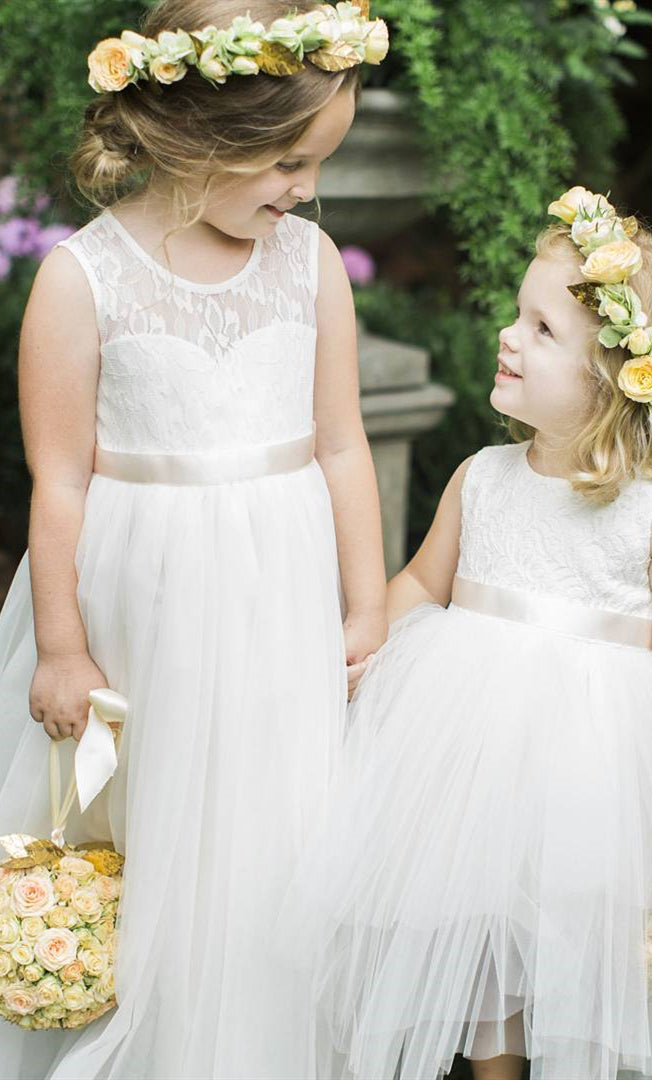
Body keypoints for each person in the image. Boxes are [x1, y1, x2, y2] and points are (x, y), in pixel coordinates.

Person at [0, 2, 388, 1078]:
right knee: (147, 829)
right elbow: (62, 476)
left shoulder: (306, 266)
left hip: (279, 602)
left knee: (272, 832)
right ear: (192, 141)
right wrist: (66, 644)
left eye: (317, 163)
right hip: (145, 614)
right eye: (285, 161)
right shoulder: (84, 279)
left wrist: (365, 605)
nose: (304, 188)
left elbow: (344, 446)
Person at [296, 187, 652, 1080]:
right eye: (517, 316)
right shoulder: (482, 476)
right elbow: (420, 580)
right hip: (462, 746)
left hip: (587, 769)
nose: (509, 336)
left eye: (541, 330)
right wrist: (356, 645)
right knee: (474, 921)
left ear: (615, 378)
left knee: (565, 930)